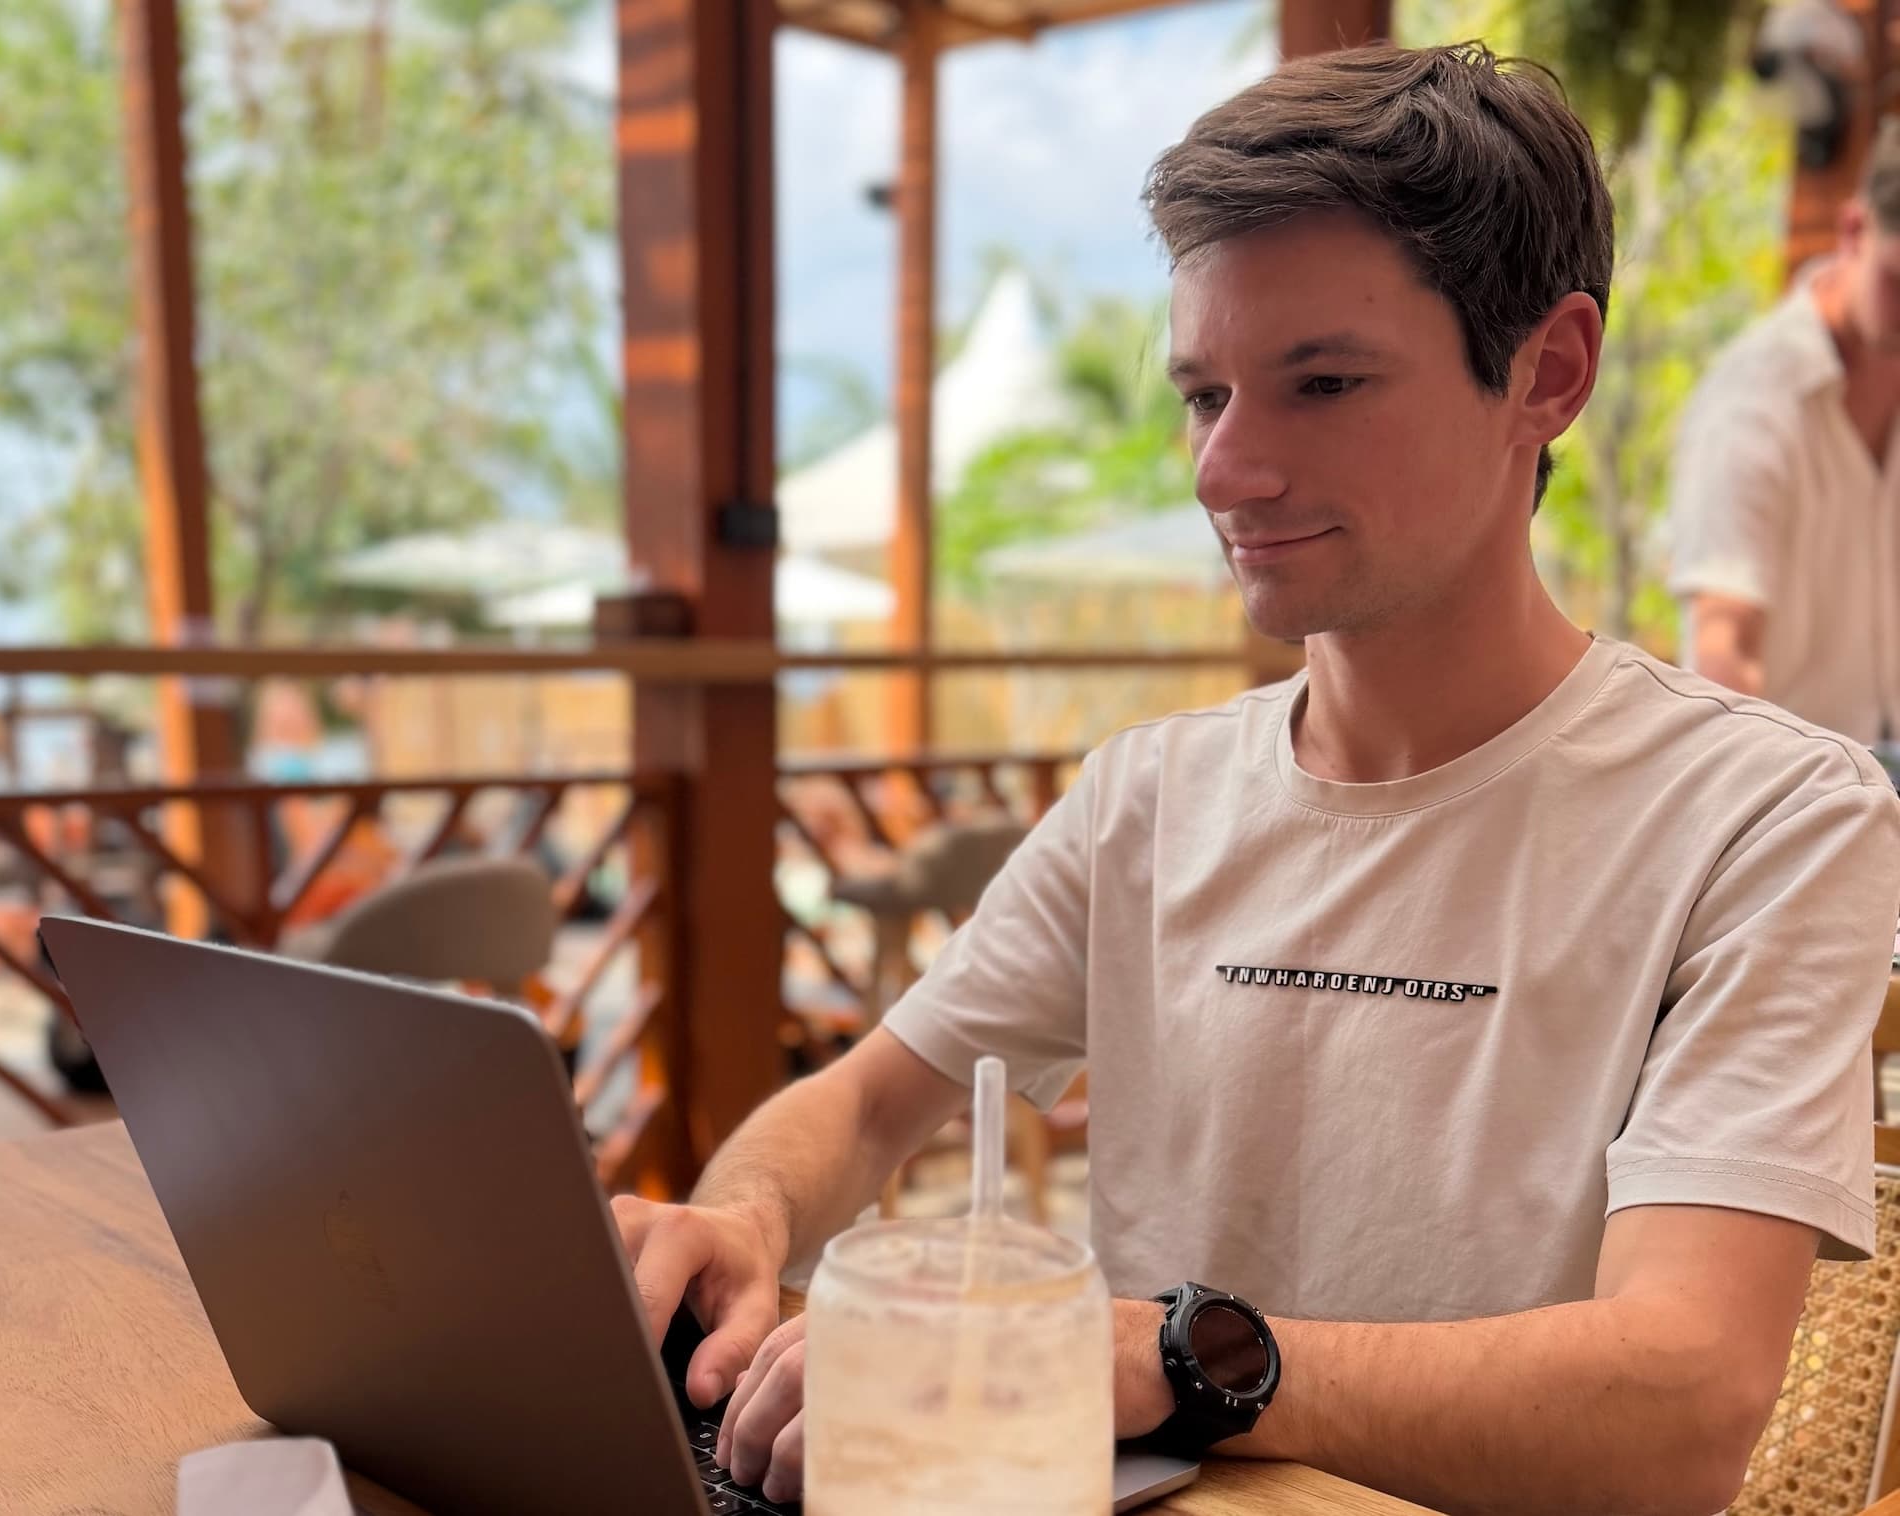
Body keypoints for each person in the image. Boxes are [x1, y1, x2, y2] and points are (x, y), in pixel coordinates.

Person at [614, 43, 1900, 1514]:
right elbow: (862, 1104)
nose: (1227, 469)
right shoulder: (1147, 798)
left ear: (1546, 373)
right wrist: (740, 1213)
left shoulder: (1766, 818)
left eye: (1323, 384)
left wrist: (1177, 1361)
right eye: (1204, 393)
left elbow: (1678, 1405)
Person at [1667, 117, 1900, 746]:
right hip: (1798, 808)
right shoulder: (1752, 400)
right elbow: (1725, 646)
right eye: (1899, 282)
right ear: (1854, 230)